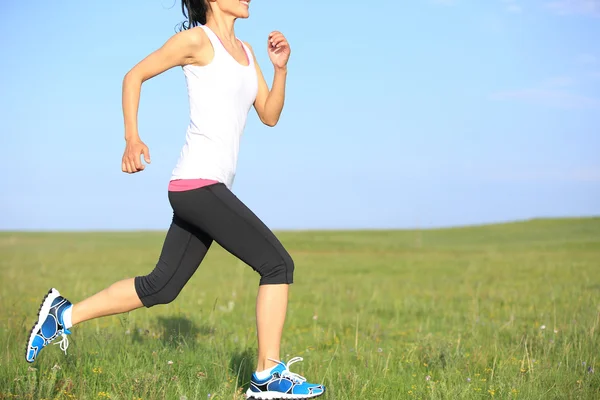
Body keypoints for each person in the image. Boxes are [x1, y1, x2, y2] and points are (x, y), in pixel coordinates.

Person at [24, 0, 325, 398]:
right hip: (197, 184)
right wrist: (132, 137)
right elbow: (134, 76)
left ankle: (64, 314)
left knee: (161, 287)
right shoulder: (197, 41)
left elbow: (269, 114)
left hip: (206, 188)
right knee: (277, 264)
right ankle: (266, 377)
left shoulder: (249, 53)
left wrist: (280, 68)